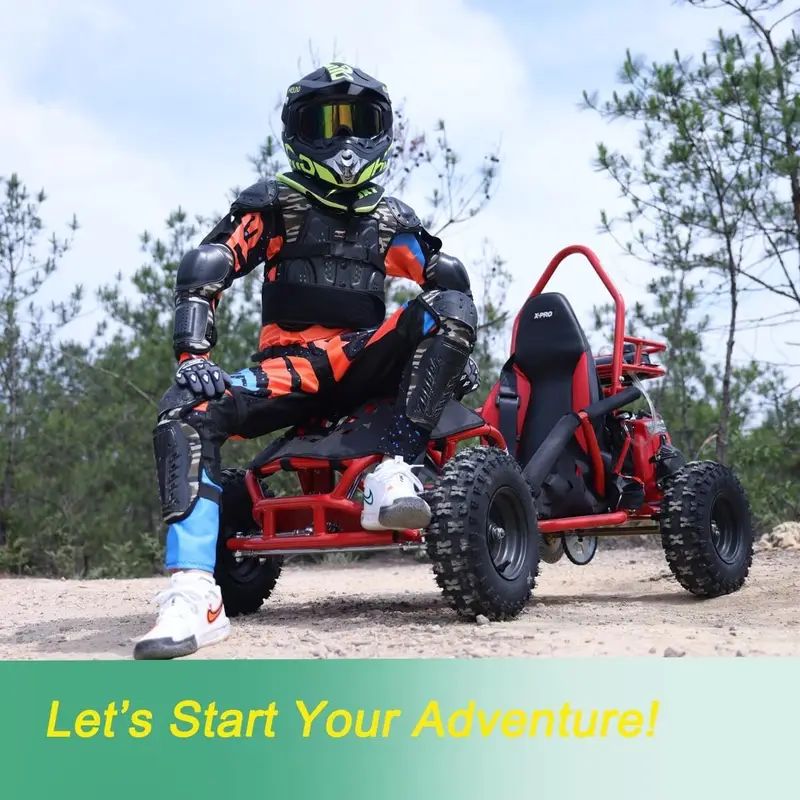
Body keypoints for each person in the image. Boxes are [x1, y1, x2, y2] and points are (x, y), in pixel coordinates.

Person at [134, 62, 479, 660]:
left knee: (447, 304)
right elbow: (209, 263)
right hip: (288, 371)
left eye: (357, 122)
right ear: (299, 131)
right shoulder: (275, 204)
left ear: (380, 130)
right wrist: (193, 356)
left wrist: (451, 355)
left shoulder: (391, 220)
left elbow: (445, 280)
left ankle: (396, 468)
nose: (344, 138)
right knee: (185, 408)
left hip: (364, 360)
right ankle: (194, 592)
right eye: (327, 122)